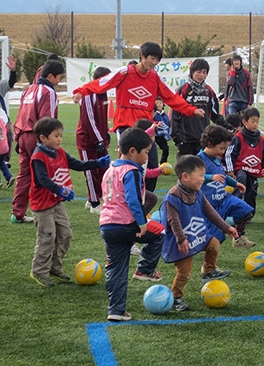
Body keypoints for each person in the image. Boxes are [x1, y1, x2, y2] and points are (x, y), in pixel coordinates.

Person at [28, 117, 111, 287]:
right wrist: (59, 189)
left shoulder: (60, 152)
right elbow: (43, 179)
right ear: (43, 138)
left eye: (60, 135)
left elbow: (77, 164)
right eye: (56, 136)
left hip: (57, 203)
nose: (60, 139)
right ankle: (39, 271)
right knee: (47, 237)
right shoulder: (39, 157)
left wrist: (97, 163)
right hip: (43, 206)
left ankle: (54, 267)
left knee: (65, 235)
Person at [99, 127, 165, 322]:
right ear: (133, 151)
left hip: (107, 226)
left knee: (116, 269)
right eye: (146, 152)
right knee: (159, 234)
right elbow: (133, 199)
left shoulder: (111, 169)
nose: (147, 157)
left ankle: (116, 311)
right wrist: (142, 222)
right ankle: (144, 269)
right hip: (127, 224)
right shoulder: (132, 171)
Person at [72, 41, 206, 137]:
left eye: (157, 60)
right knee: (129, 165)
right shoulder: (125, 72)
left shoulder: (155, 77)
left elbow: (172, 97)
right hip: (125, 125)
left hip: (146, 126)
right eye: (152, 58)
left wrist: (191, 110)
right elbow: (101, 83)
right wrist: (81, 91)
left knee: (150, 167)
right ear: (142, 56)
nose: (154, 63)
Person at [161, 154, 238, 312]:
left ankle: (209, 271)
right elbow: (172, 220)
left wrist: (226, 228)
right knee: (184, 273)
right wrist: (181, 239)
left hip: (197, 236)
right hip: (181, 242)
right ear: (185, 176)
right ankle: (175, 297)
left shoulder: (197, 193)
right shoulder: (173, 196)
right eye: (200, 175)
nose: (203, 179)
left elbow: (210, 212)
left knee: (214, 243)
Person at [12, 59, 64, 224]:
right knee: (44, 174)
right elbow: (47, 120)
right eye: (58, 77)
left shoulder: (28, 90)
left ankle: (17, 213)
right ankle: (44, 211)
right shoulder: (48, 91)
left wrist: (17, 137)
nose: (59, 81)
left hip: (22, 135)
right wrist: (49, 141)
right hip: (38, 137)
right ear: (50, 76)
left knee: (24, 175)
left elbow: (20, 114)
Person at [199, 125, 255, 249]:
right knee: (214, 241)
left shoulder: (217, 158)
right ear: (209, 143)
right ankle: (208, 267)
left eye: (225, 148)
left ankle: (238, 237)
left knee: (246, 211)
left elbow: (223, 175)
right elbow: (194, 177)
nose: (223, 152)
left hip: (224, 199)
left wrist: (235, 183)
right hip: (210, 207)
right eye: (221, 148)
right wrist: (210, 177)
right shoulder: (199, 159)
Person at [76, 66, 112, 214]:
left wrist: (106, 134)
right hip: (87, 141)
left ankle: (95, 198)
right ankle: (94, 203)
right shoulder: (89, 95)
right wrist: (98, 140)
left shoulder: (104, 95)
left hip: (100, 139)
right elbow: (89, 121)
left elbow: (102, 119)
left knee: (104, 170)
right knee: (91, 171)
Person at [225, 107, 264, 218]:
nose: (255, 124)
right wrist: (230, 170)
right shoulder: (238, 137)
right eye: (253, 121)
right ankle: (233, 209)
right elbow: (229, 154)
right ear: (244, 122)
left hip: (254, 171)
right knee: (241, 181)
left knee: (252, 192)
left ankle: (248, 214)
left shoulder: (261, 139)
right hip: (241, 169)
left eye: (257, 121)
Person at [153, 97, 171, 164]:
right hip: (155, 135)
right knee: (152, 151)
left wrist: (168, 133)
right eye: (157, 103)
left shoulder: (165, 115)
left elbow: (167, 124)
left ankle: (163, 163)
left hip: (162, 136)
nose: (159, 104)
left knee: (166, 149)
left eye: (160, 103)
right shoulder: (154, 114)